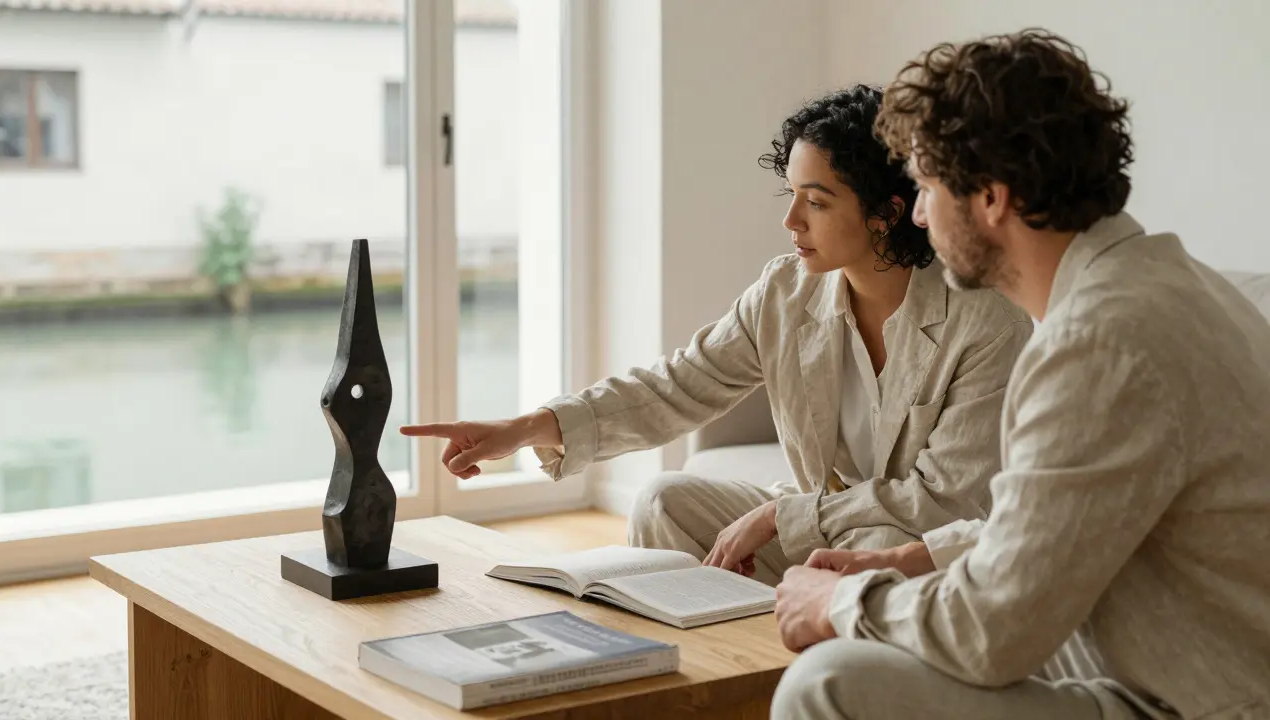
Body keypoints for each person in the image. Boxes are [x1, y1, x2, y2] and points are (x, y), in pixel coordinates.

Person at [770, 29, 1270, 720]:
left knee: (827, 683)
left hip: (1204, 701)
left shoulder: (1098, 343)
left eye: (924, 186)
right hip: (1179, 652)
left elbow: (991, 633)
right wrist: (914, 558)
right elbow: (1064, 520)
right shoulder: (1171, 285)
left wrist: (838, 604)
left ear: (992, 198)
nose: (916, 213)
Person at [401, 85, 1031, 586]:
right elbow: (675, 386)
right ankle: (711, 664)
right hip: (826, 531)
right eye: (790, 195)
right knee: (665, 500)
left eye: (815, 201)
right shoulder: (785, 292)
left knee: (876, 547)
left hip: (918, 554)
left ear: (887, 213)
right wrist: (524, 428)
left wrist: (775, 516)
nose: (790, 221)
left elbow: (943, 503)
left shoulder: (985, 321)